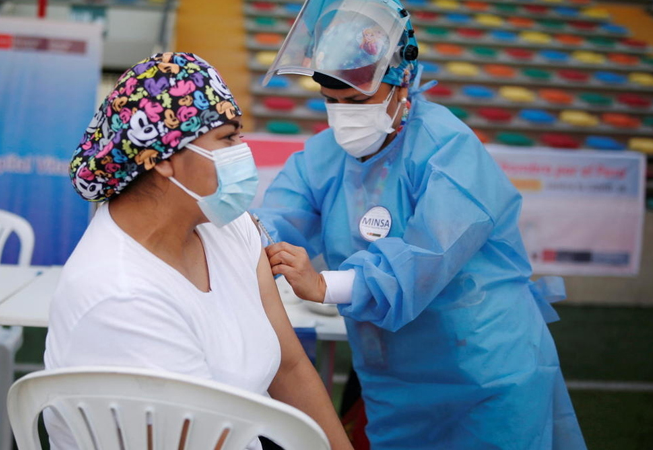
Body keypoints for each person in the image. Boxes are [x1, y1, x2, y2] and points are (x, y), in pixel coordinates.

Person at [253, 0, 587, 448]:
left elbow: (425, 259)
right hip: (396, 385)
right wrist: (244, 244)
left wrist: (324, 285)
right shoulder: (324, 157)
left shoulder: (448, 150)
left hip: (485, 377)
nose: (342, 115)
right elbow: (276, 219)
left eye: (355, 101)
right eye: (330, 102)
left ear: (400, 84)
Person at [44, 52, 352, 450]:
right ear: (165, 159)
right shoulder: (120, 295)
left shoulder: (229, 226)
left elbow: (290, 368)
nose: (244, 150)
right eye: (227, 138)